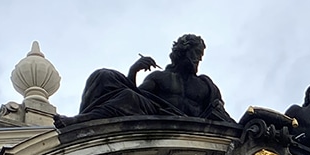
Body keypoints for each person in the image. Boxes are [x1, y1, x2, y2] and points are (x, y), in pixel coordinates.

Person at [55, 34, 233, 127]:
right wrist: (134, 71)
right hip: (160, 116)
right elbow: (135, 100)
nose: (198, 59)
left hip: (192, 129)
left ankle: (80, 121)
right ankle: (82, 123)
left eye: (200, 55)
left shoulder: (205, 85)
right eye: (195, 54)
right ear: (182, 52)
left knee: (127, 96)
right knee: (104, 76)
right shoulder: (160, 77)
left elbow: (219, 113)